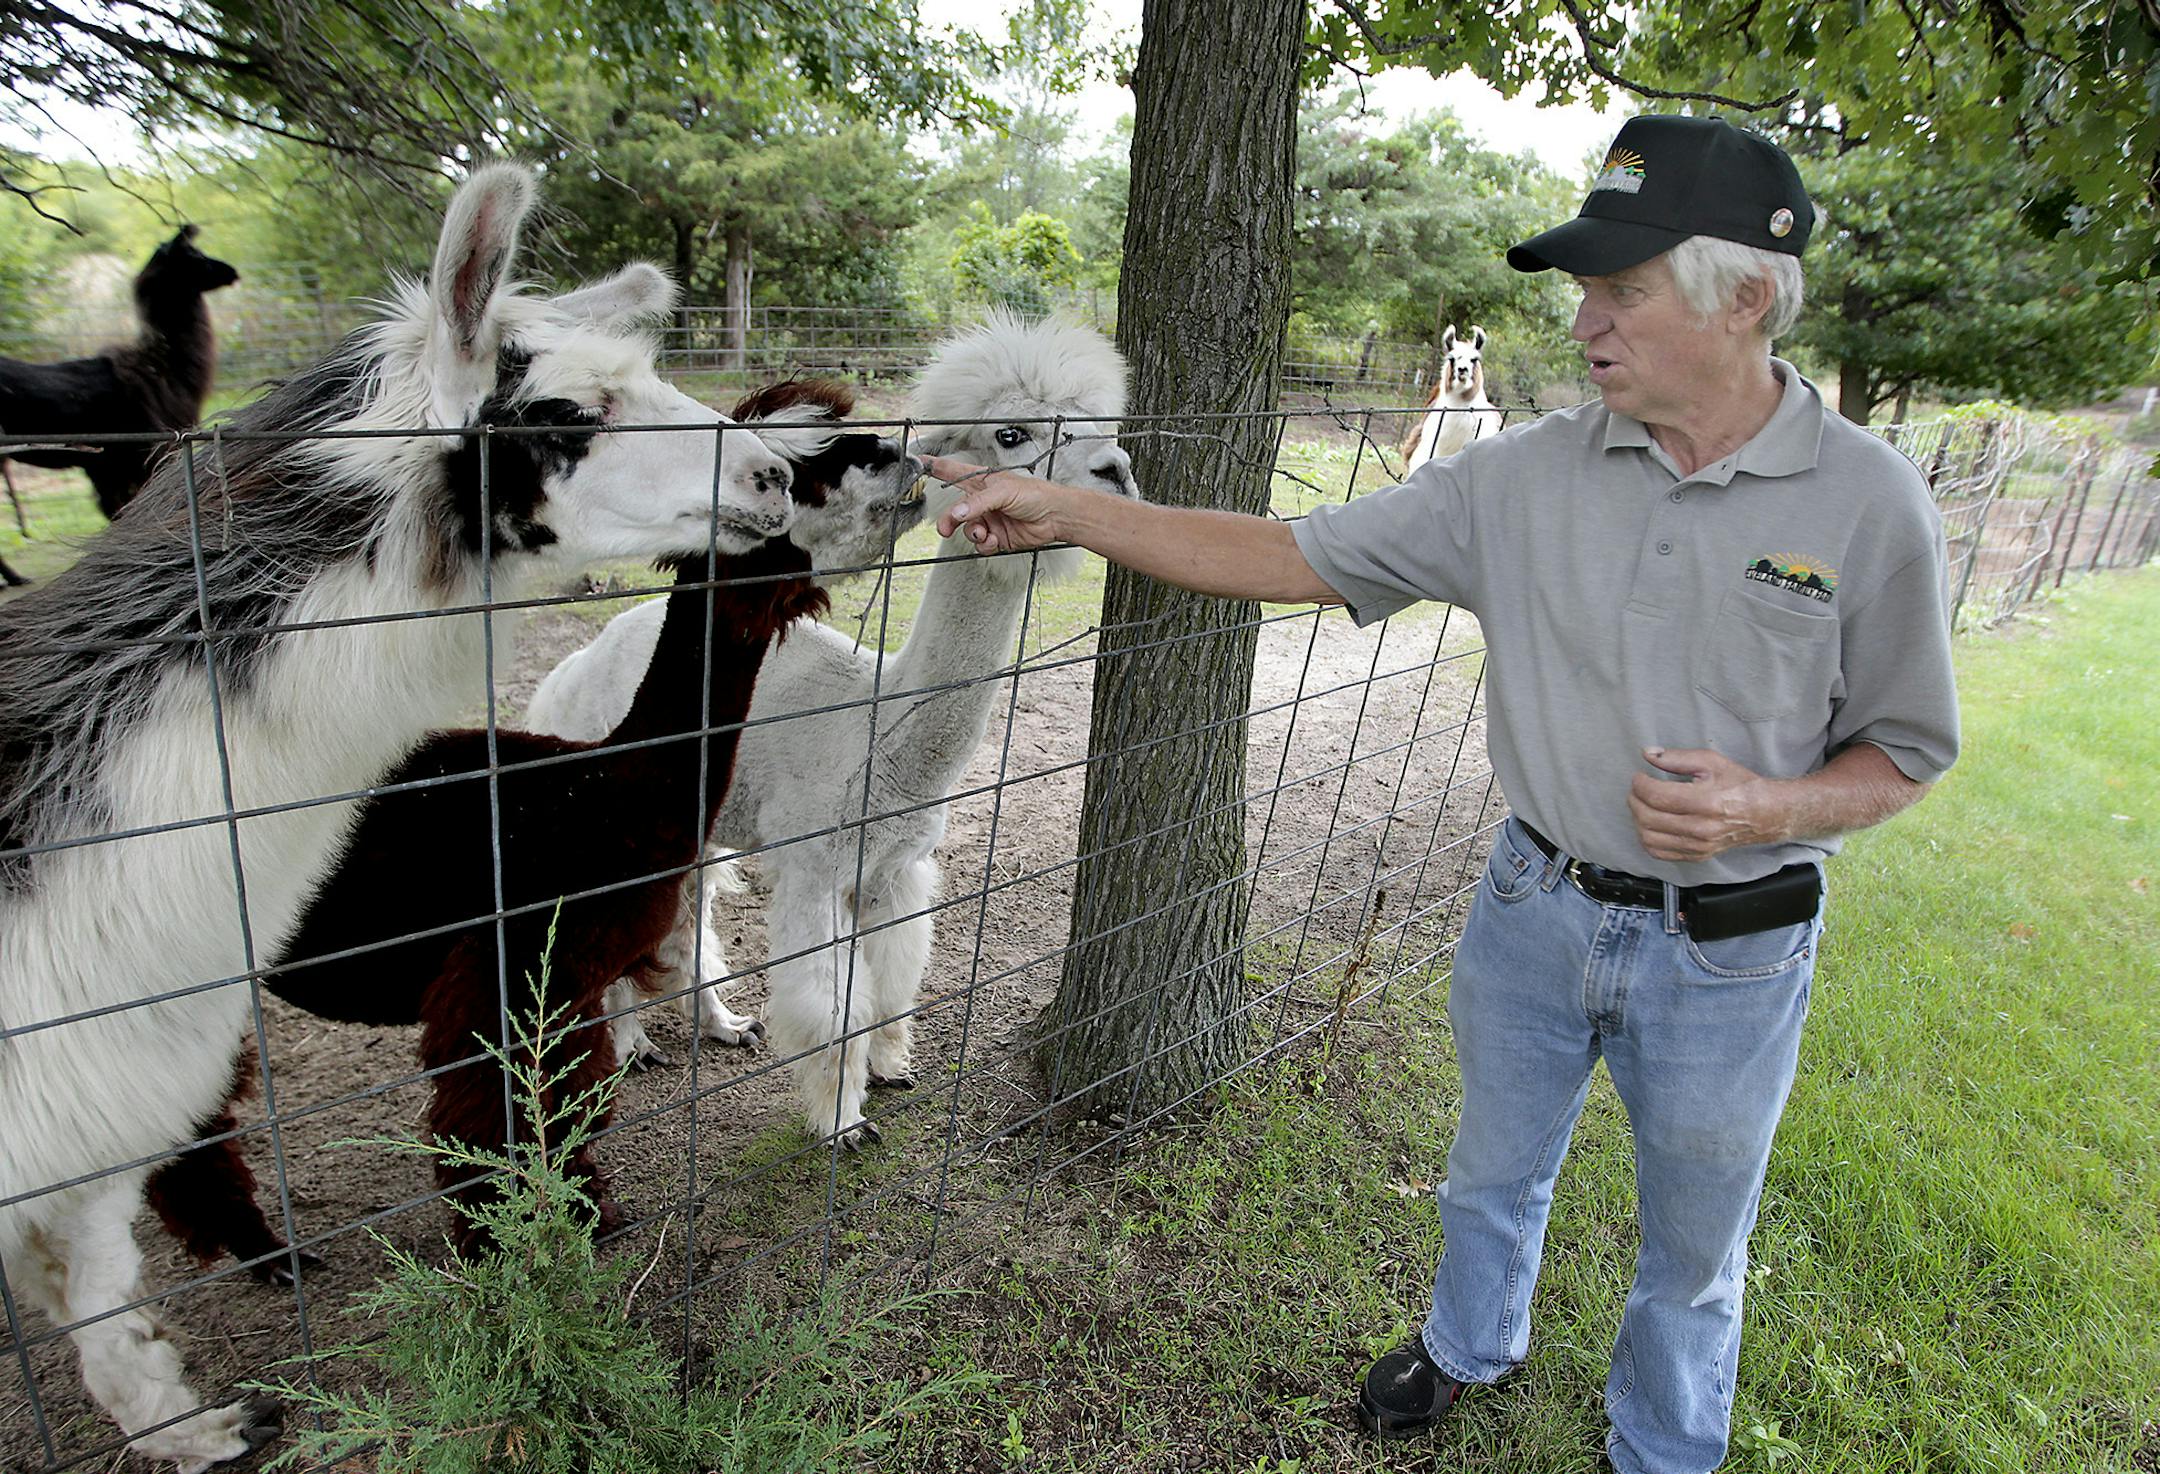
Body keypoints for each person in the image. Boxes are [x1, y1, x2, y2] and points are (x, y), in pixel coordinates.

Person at [928, 114, 1958, 1474]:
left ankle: (1663, 1441)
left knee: (1700, 1241)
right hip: (1535, 906)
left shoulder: (1868, 501)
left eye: (1622, 291)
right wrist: (1067, 510)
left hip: (1733, 945)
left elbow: (1905, 751)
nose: (1584, 321)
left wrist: (1768, 808)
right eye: (1584, 289)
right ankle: (1471, 1342)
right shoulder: (1521, 477)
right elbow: (1290, 551)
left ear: (1748, 298)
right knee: (1490, 1166)